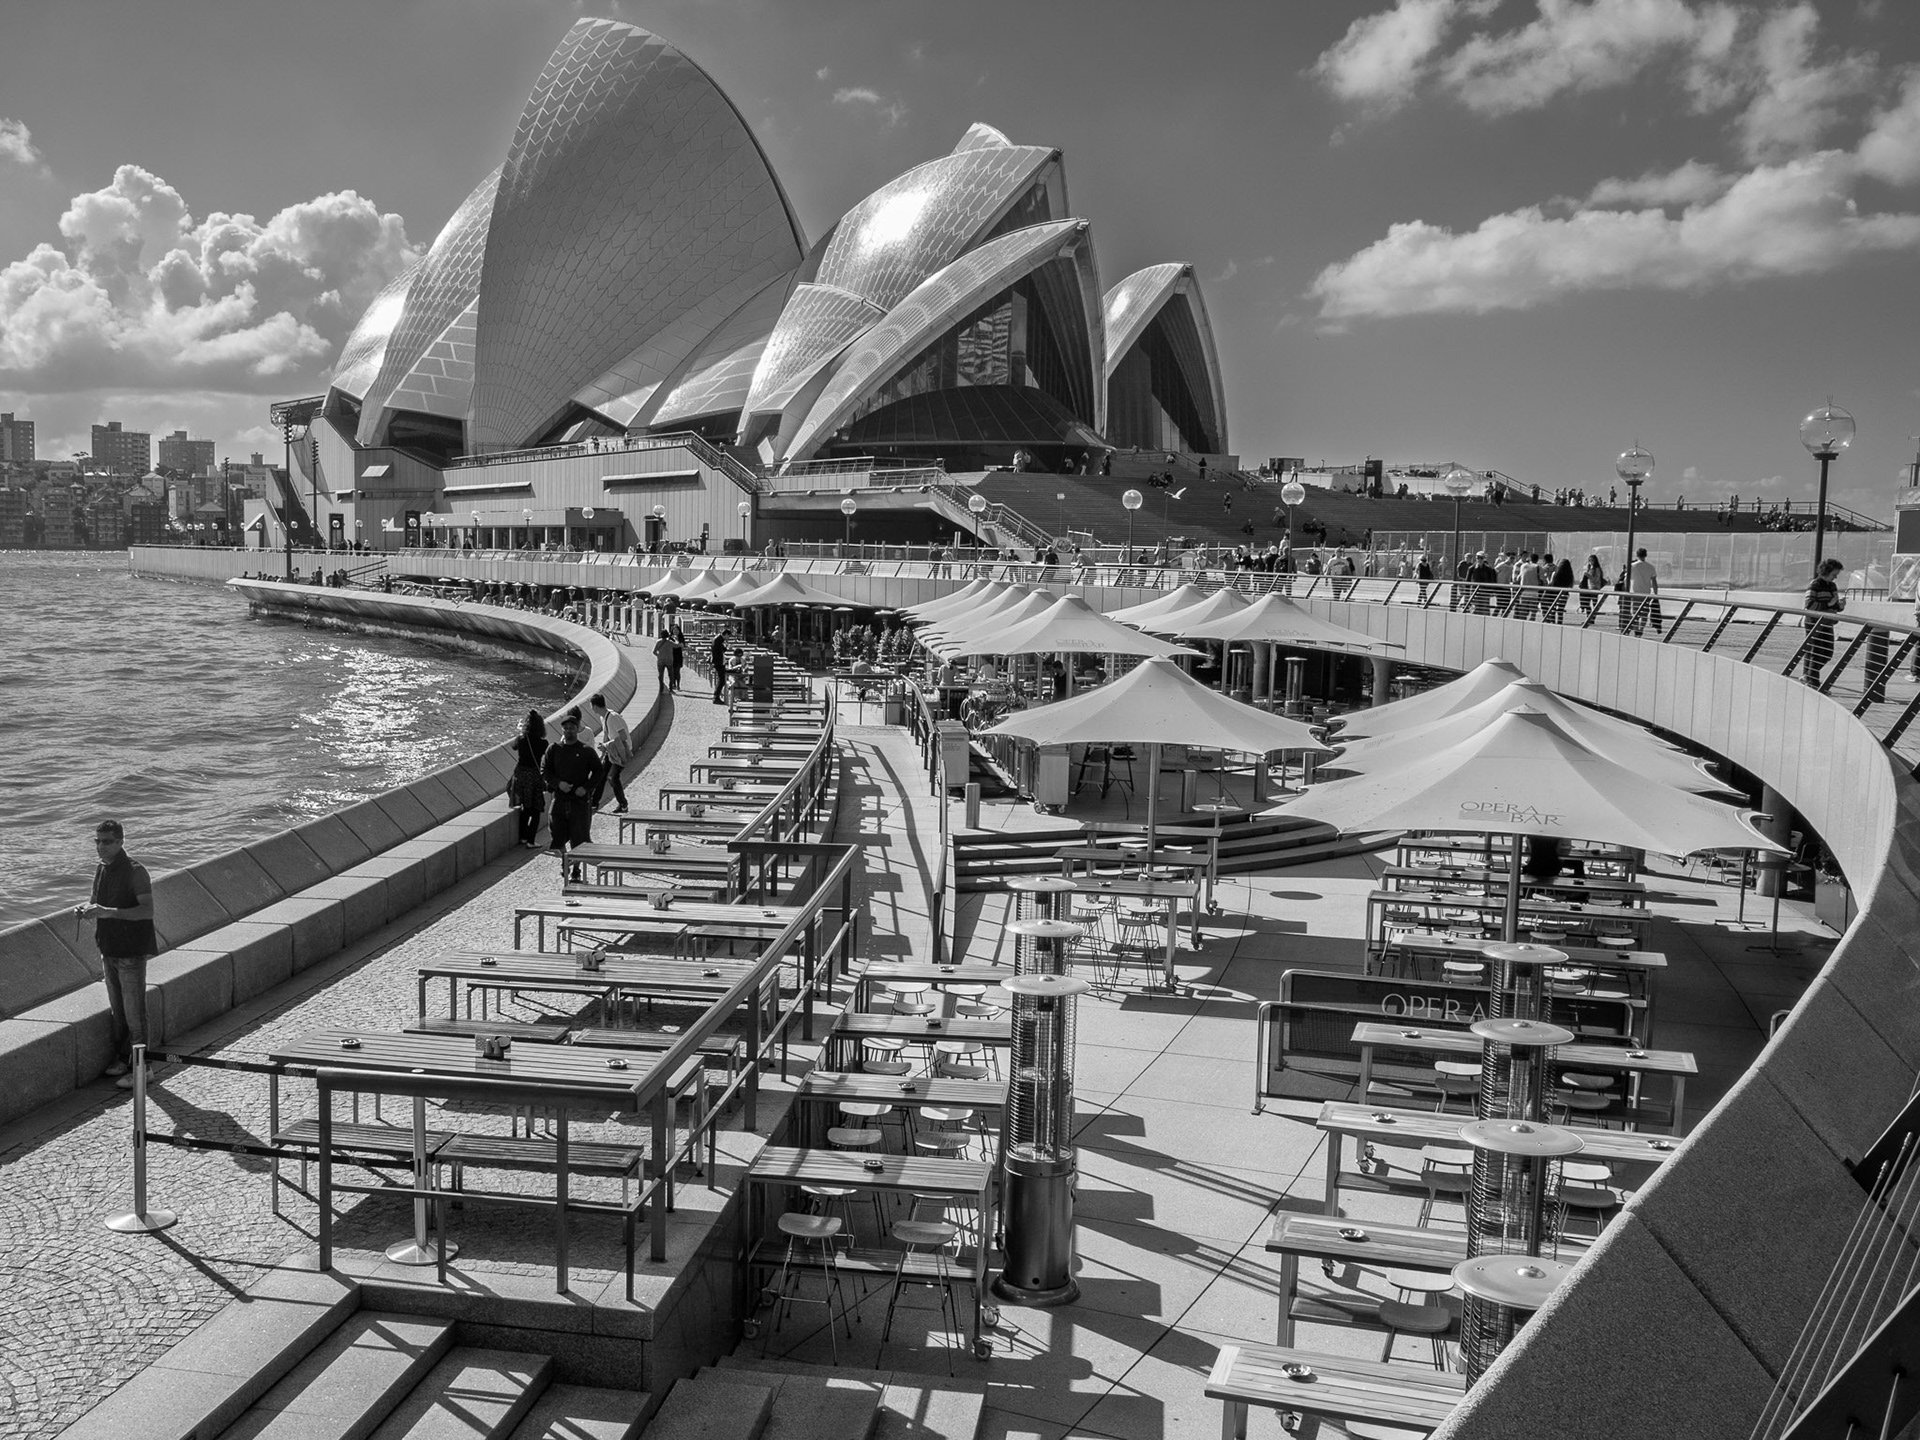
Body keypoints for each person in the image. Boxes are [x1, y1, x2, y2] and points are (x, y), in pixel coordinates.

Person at [76, 820, 155, 1089]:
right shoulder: (101, 869)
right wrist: (87, 909)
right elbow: (97, 901)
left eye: (107, 841)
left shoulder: (136, 871)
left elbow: (147, 911)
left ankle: (144, 1068)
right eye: (97, 841)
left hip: (131, 952)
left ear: (121, 842)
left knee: (135, 1013)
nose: (101, 847)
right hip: (108, 948)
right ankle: (123, 1060)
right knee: (118, 1011)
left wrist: (107, 911)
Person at [541, 714, 603, 860]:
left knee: (579, 840)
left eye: (572, 728)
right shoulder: (554, 749)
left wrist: (586, 788)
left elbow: (599, 772)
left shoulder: (586, 751)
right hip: (560, 800)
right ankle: (566, 860)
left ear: (577, 729)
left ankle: (575, 869)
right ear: (562, 730)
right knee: (556, 836)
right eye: (566, 728)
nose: (569, 731)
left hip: (579, 802)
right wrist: (558, 784)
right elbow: (544, 770)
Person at [1802, 557, 1846, 685]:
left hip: (1827, 622)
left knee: (1827, 653)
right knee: (1816, 652)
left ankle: (1808, 676)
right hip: (1814, 623)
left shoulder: (1832, 586)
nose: (1835, 577)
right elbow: (1809, 605)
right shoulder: (1814, 584)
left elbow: (1834, 605)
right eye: (1834, 574)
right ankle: (1813, 682)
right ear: (1826, 572)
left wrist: (1840, 606)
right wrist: (1828, 604)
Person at [509, 709, 549, 848]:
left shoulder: (521, 739)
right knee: (536, 808)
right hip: (534, 776)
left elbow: (513, 746)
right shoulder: (543, 743)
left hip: (520, 774)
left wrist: (521, 732)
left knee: (525, 807)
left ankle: (523, 837)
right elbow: (546, 755)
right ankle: (531, 840)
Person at [589, 693, 631, 811]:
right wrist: (603, 749)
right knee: (601, 775)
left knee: (612, 777)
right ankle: (594, 803)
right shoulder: (603, 717)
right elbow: (607, 734)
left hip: (619, 751)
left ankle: (623, 804)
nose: (591, 708)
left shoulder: (613, 717)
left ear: (596, 706)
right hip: (612, 750)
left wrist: (606, 746)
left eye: (591, 706)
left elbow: (623, 736)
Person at [1626, 546, 1660, 635]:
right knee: (1644, 614)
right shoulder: (1651, 567)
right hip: (1646, 594)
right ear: (1646, 555)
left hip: (1635, 593)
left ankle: (1636, 629)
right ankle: (1641, 629)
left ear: (1637, 555)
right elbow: (1654, 582)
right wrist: (1656, 594)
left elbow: (1626, 579)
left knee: (1634, 613)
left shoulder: (1632, 566)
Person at [653, 628, 676, 693]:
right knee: (671, 674)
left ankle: (661, 689)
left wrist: (659, 656)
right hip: (669, 660)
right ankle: (671, 688)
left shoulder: (658, 642)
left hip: (661, 660)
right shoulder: (670, 642)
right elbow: (676, 645)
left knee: (661, 674)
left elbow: (654, 652)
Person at [710, 631, 729, 705]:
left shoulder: (719, 639)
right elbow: (716, 652)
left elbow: (722, 650)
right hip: (719, 663)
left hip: (719, 662)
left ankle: (716, 696)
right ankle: (716, 697)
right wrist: (717, 662)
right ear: (726, 634)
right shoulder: (718, 640)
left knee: (721, 680)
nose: (728, 638)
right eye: (728, 636)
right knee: (721, 680)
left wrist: (726, 647)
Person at [669, 621, 686, 693]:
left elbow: (682, 646)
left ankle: (678, 684)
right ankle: (673, 684)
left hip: (678, 656)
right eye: (674, 630)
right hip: (671, 655)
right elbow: (671, 645)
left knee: (677, 671)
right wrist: (677, 644)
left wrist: (676, 641)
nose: (675, 632)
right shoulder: (670, 638)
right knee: (672, 671)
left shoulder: (681, 638)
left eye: (677, 630)